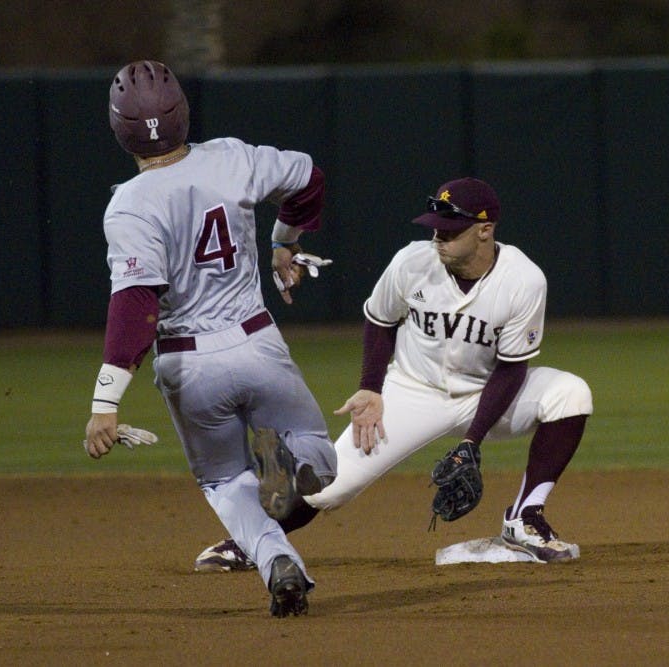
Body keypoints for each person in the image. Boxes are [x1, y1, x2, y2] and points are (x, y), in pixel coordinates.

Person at [199, 176, 593, 565]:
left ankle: (524, 518)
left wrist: (472, 442)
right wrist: (371, 388)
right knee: (328, 488)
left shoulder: (523, 280)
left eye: (450, 231)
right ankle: (251, 541)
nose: (438, 238)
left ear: (485, 230)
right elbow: (380, 320)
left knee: (571, 393)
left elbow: (511, 370)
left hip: (489, 394)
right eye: (436, 229)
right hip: (413, 390)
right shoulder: (412, 261)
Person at [83, 60, 337, 617]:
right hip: (255, 341)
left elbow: (135, 306)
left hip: (189, 365)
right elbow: (309, 179)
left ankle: (276, 563)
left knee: (225, 481)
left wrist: (105, 402)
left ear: (118, 127)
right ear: (182, 112)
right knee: (320, 453)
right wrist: (285, 242)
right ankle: (294, 465)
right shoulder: (233, 158)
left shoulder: (128, 204)